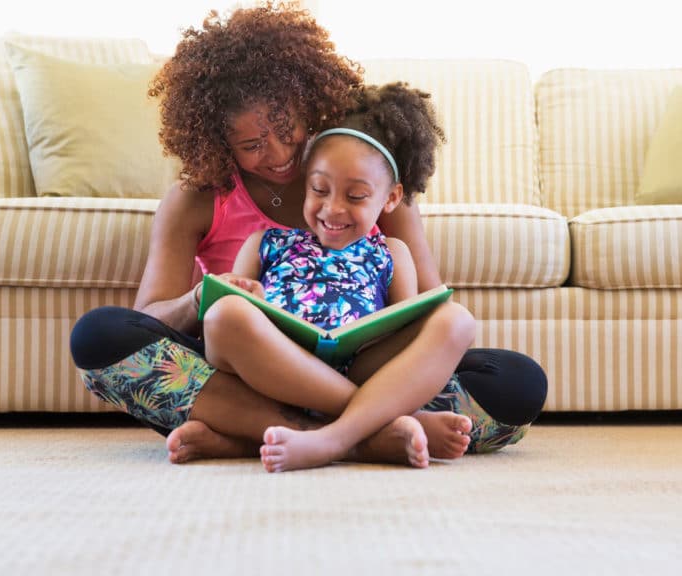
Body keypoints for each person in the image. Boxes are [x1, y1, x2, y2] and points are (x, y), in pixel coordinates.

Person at [69, 3, 547, 465]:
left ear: (308, 104)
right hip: (248, 366)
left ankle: (251, 435)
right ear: (217, 140)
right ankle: (362, 433)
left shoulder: (362, 172)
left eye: (287, 129)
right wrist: (200, 299)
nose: (278, 154)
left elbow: (426, 311)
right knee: (100, 339)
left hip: (362, 361)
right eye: (252, 145)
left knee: (517, 384)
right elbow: (149, 319)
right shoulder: (195, 197)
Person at [205, 81, 477, 471]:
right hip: (278, 365)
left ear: (391, 198)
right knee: (224, 315)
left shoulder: (391, 253)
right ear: (305, 182)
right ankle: (376, 424)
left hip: (360, 365)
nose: (332, 209)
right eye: (319, 189)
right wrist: (251, 296)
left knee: (458, 320)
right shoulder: (266, 242)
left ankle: (326, 439)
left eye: (355, 197)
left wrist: (386, 330)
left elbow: (404, 332)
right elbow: (230, 313)